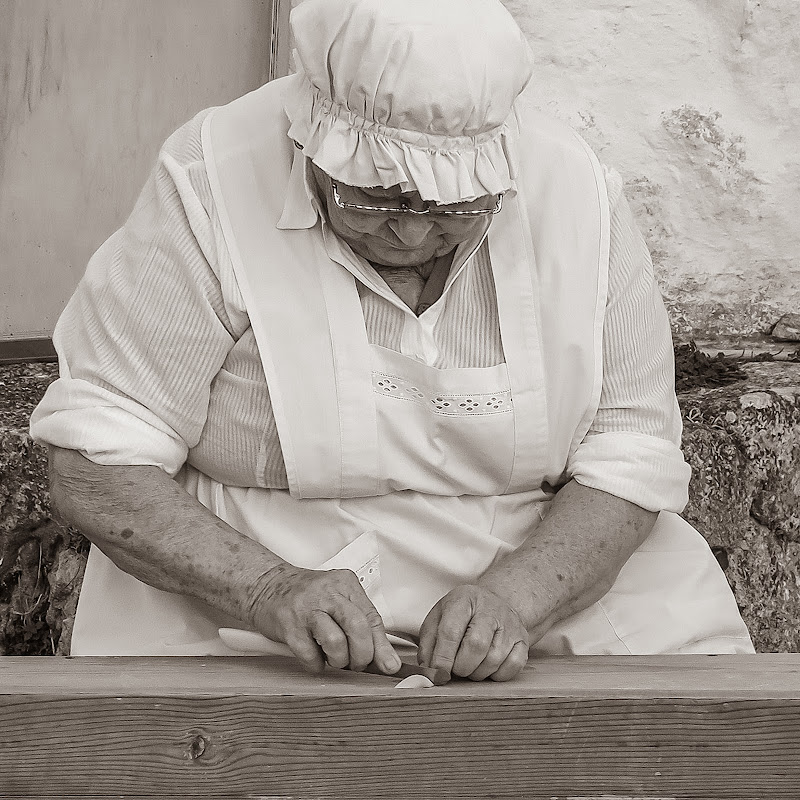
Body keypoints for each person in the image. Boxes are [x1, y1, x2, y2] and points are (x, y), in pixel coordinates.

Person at [30, 0, 754, 681]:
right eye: (371, 198)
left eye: (453, 207)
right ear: (310, 140)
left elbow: (630, 452)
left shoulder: (577, 194)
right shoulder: (211, 177)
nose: (410, 233)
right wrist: (268, 588)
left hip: (546, 576)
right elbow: (97, 456)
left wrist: (518, 598)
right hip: (247, 591)